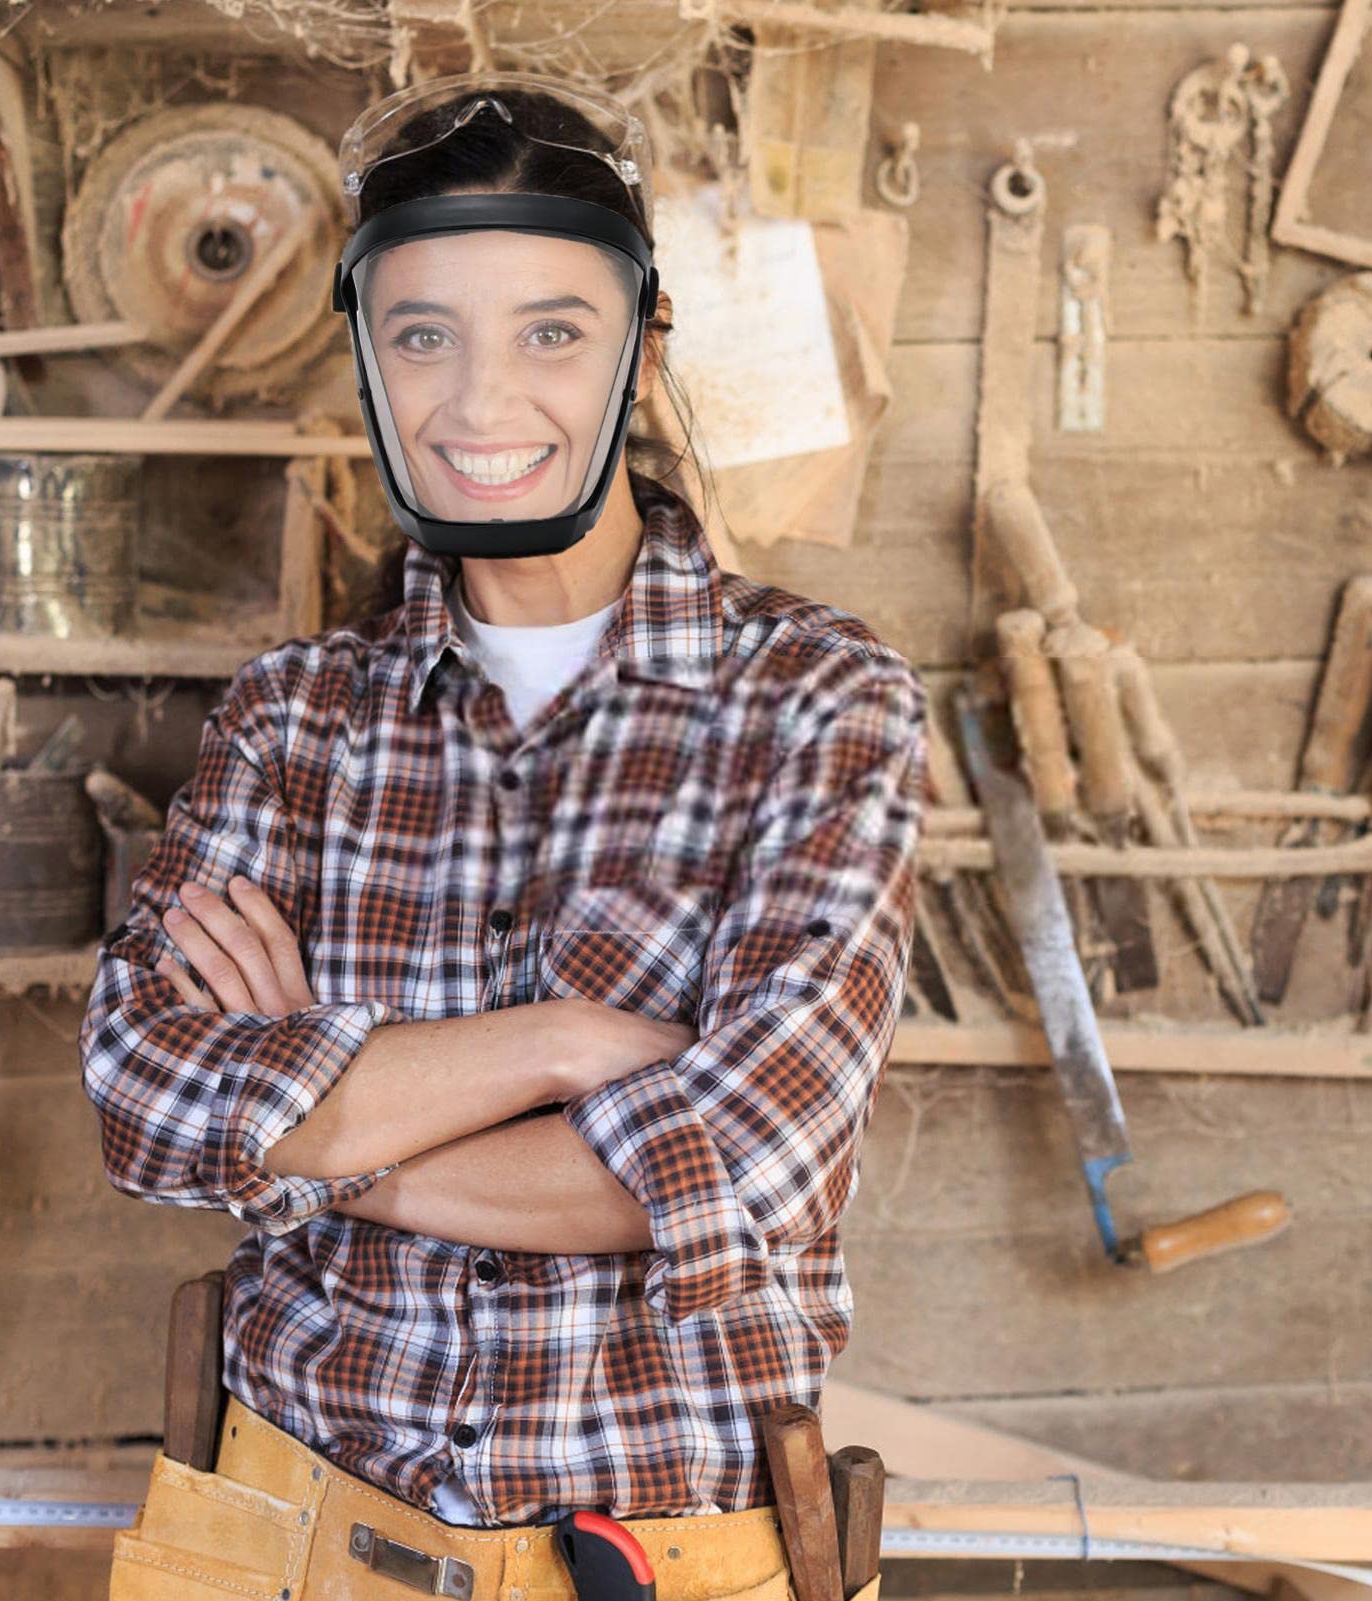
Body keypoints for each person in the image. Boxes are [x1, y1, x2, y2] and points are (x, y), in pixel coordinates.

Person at [80, 72, 925, 1601]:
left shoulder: (819, 700)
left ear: (641, 348)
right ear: (364, 356)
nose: (478, 404)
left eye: (550, 330)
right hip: (289, 1545)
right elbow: (145, 1097)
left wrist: (321, 1134)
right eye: (423, 335)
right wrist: (560, 1045)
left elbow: (741, 1166)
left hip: (663, 1563)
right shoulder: (293, 719)